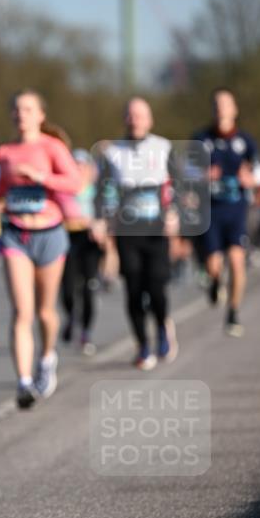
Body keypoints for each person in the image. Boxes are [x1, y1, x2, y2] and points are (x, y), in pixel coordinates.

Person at [0, 90, 81, 408]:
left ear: (41, 115)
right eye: (16, 109)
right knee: (22, 312)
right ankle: (24, 382)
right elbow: (2, 189)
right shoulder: (5, 152)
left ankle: (47, 357)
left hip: (49, 233)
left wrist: (41, 177)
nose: (21, 114)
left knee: (45, 312)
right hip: (16, 234)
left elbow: (75, 183)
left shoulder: (52, 147)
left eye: (28, 109)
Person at [95, 98, 179, 370]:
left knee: (156, 288)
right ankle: (143, 345)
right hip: (127, 230)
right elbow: (103, 189)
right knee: (133, 289)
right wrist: (101, 219)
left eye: (140, 116)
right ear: (124, 119)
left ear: (150, 120)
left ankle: (163, 328)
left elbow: (180, 184)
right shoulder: (112, 152)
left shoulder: (163, 147)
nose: (135, 121)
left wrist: (175, 213)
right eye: (130, 115)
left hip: (156, 229)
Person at [194, 89, 260, 336]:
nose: (220, 108)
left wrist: (251, 179)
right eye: (216, 104)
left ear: (234, 109)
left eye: (225, 104)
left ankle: (233, 313)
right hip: (211, 210)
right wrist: (202, 176)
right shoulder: (202, 139)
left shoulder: (245, 141)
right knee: (213, 263)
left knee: (236, 260)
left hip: (236, 209)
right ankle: (215, 281)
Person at [60, 149, 104, 356]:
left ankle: (86, 332)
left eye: (82, 165)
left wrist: (100, 226)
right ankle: (71, 317)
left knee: (88, 288)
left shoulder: (97, 191)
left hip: (90, 241)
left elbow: (108, 214)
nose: (78, 169)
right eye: (74, 165)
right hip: (67, 238)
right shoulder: (63, 189)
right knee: (68, 289)